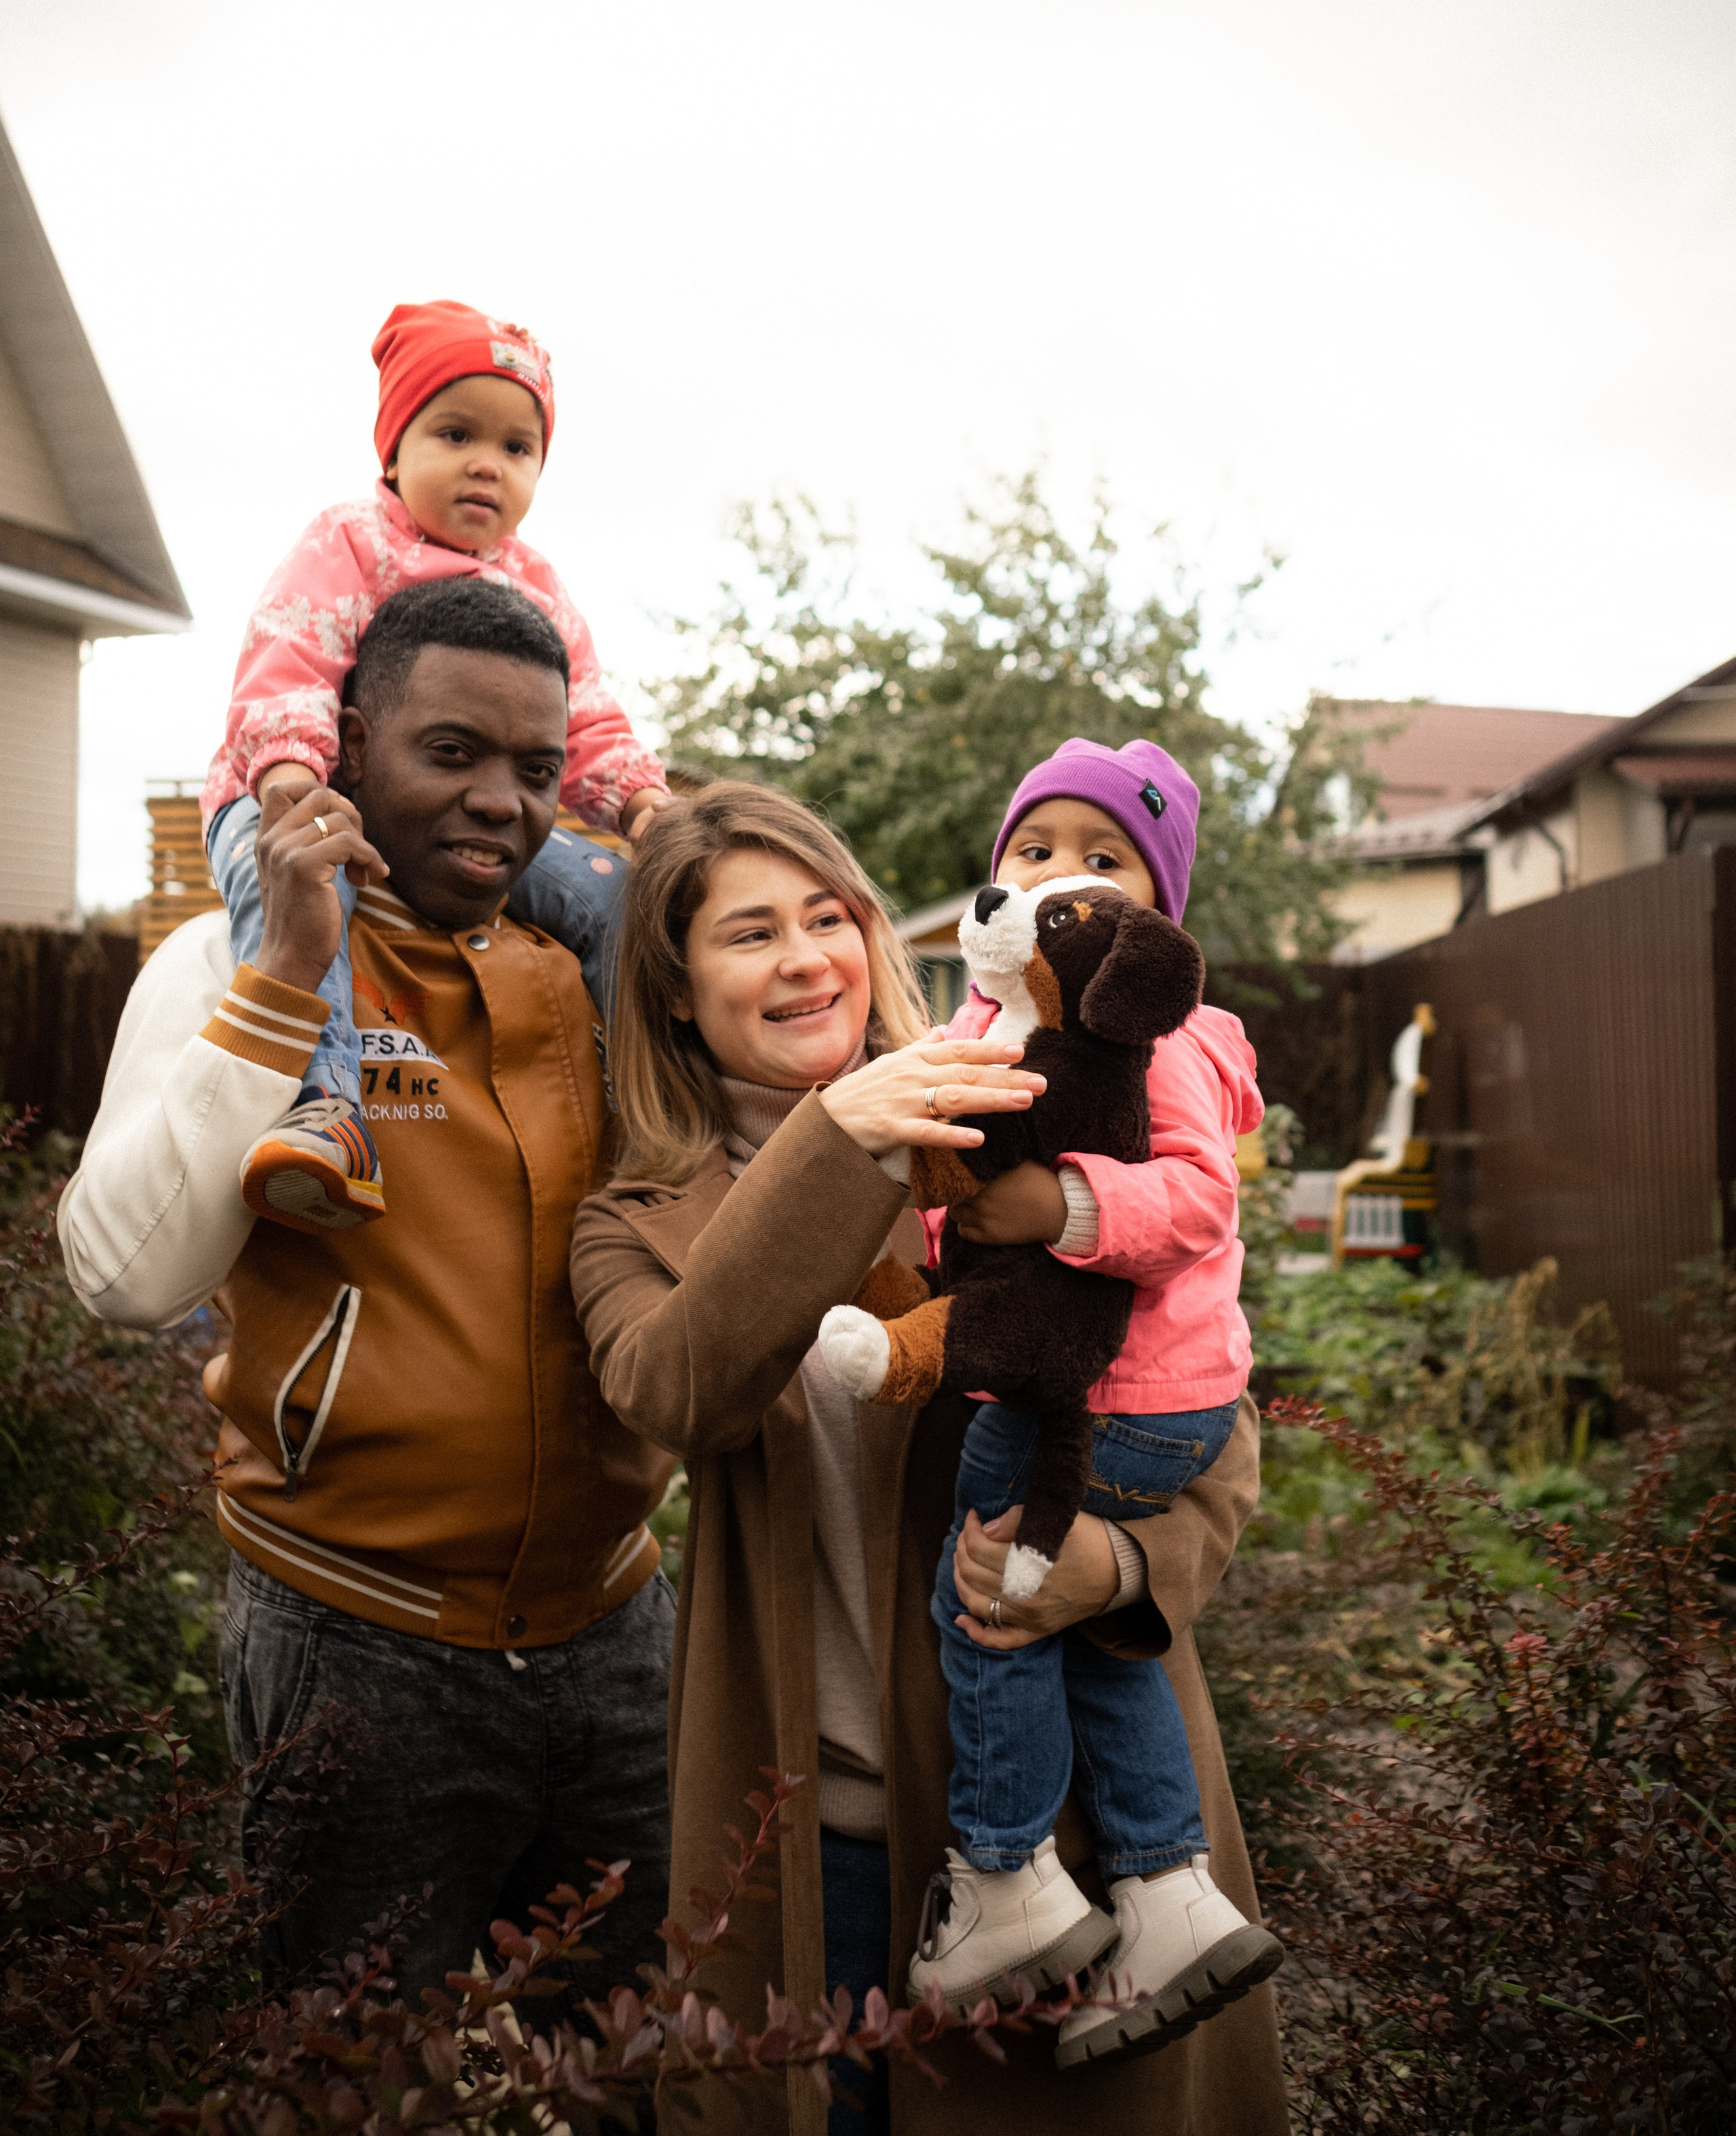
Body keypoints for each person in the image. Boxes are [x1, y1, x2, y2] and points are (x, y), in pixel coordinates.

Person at [568, 783, 1287, 2136]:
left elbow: (1209, 1416)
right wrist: (839, 1144)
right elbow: (681, 1391)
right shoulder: (636, 1224)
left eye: (828, 918)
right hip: (806, 1844)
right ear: (674, 989)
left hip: (1065, 1837)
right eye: (748, 933)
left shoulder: (1025, 1113)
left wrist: (1117, 1566)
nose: (803, 958)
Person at [59, 577, 676, 2002]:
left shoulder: (602, 974)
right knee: (348, 2083)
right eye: (448, 753)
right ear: (342, 751)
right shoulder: (226, 958)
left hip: (616, 1637)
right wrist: (286, 970)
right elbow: (120, 1277)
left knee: (647, 2073)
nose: (498, 805)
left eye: (534, 769)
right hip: (355, 1643)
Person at [885, 737, 1280, 2063]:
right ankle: (1167, 1895)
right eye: (1033, 851)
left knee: (988, 1593)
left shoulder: (1147, 1031)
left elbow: (1195, 1197)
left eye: (1101, 860)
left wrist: (1054, 1205)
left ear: (1156, 913)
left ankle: (1004, 1883)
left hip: (1120, 1393)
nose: (1058, 878)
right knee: (1081, 1627)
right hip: (1140, 1388)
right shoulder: (1009, 1025)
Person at [201, 298, 670, 1235]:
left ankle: (643, 1100)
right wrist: (293, 772)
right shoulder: (350, 542)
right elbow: (287, 658)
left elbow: (585, 719)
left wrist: (644, 804)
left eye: (518, 447)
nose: (488, 464)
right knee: (302, 891)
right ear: (395, 446)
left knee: (620, 895)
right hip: (293, 794)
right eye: (455, 434)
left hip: (457, 818)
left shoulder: (534, 581)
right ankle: (328, 1109)